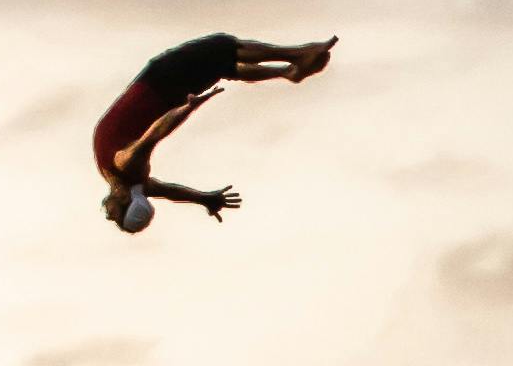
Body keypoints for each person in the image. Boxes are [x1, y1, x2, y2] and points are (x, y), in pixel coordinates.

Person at [93, 30, 334, 235]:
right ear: (125, 202)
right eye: (115, 217)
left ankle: (287, 72)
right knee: (222, 48)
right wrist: (185, 110)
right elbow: (155, 134)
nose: (108, 217)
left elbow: (172, 192)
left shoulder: (137, 184)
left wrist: (205, 199)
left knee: (224, 66)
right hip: (160, 83)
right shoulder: (126, 167)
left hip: (164, 89)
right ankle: (298, 55)